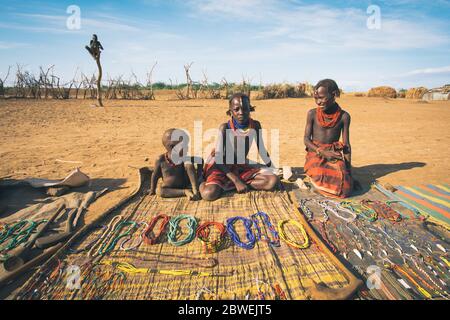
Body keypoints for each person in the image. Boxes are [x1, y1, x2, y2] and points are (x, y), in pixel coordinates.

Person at [200, 93, 279, 201]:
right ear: (230, 111)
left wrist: (272, 167)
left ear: (250, 109)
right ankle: (204, 181)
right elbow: (218, 159)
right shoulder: (225, 127)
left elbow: (261, 149)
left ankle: (230, 185)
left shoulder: (255, 125)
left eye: (245, 109)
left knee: (272, 181)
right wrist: (236, 180)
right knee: (209, 194)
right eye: (236, 109)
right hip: (221, 166)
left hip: (240, 164)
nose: (241, 112)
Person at [303, 79, 353, 198]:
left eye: (321, 98)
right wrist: (321, 151)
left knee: (345, 185)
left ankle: (321, 187)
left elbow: (346, 145)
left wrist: (349, 171)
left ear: (334, 94)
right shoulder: (312, 114)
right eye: (316, 98)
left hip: (332, 153)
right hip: (315, 152)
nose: (318, 102)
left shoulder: (344, 117)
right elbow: (306, 139)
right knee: (319, 173)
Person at [149, 128, 201, 200]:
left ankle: (195, 190)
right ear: (172, 147)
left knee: (189, 164)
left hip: (185, 184)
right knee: (159, 191)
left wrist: (199, 174)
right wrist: (152, 189)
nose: (187, 148)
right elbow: (155, 175)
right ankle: (184, 192)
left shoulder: (184, 158)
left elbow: (200, 160)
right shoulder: (161, 160)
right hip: (170, 188)